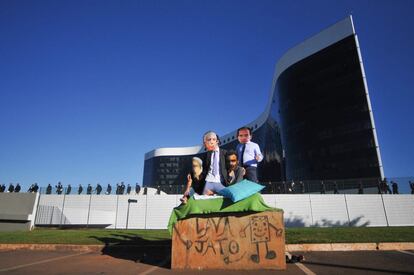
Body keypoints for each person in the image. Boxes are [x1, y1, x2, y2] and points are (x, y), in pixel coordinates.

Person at [200, 131, 229, 195]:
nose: (211, 141)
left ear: (217, 141)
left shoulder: (225, 153)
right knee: (204, 201)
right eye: (209, 140)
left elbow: (230, 165)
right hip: (208, 182)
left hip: (220, 182)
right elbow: (204, 169)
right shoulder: (206, 155)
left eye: (213, 139)